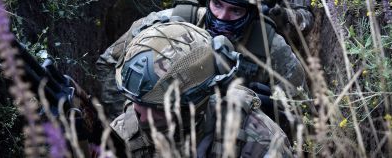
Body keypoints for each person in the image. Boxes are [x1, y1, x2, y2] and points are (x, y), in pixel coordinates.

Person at [97, 0, 308, 120]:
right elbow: (108, 64)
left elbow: (306, 115)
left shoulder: (270, 47)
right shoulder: (168, 23)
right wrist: (132, 117)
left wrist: (269, 109)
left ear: (254, 10)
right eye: (217, 4)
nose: (222, 16)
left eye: (236, 10)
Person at [109, 21, 294, 157]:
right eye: (135, 100)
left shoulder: (259, 141)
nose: (139, 113)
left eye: (156, 106)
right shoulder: (124, 132)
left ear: (195, 102)